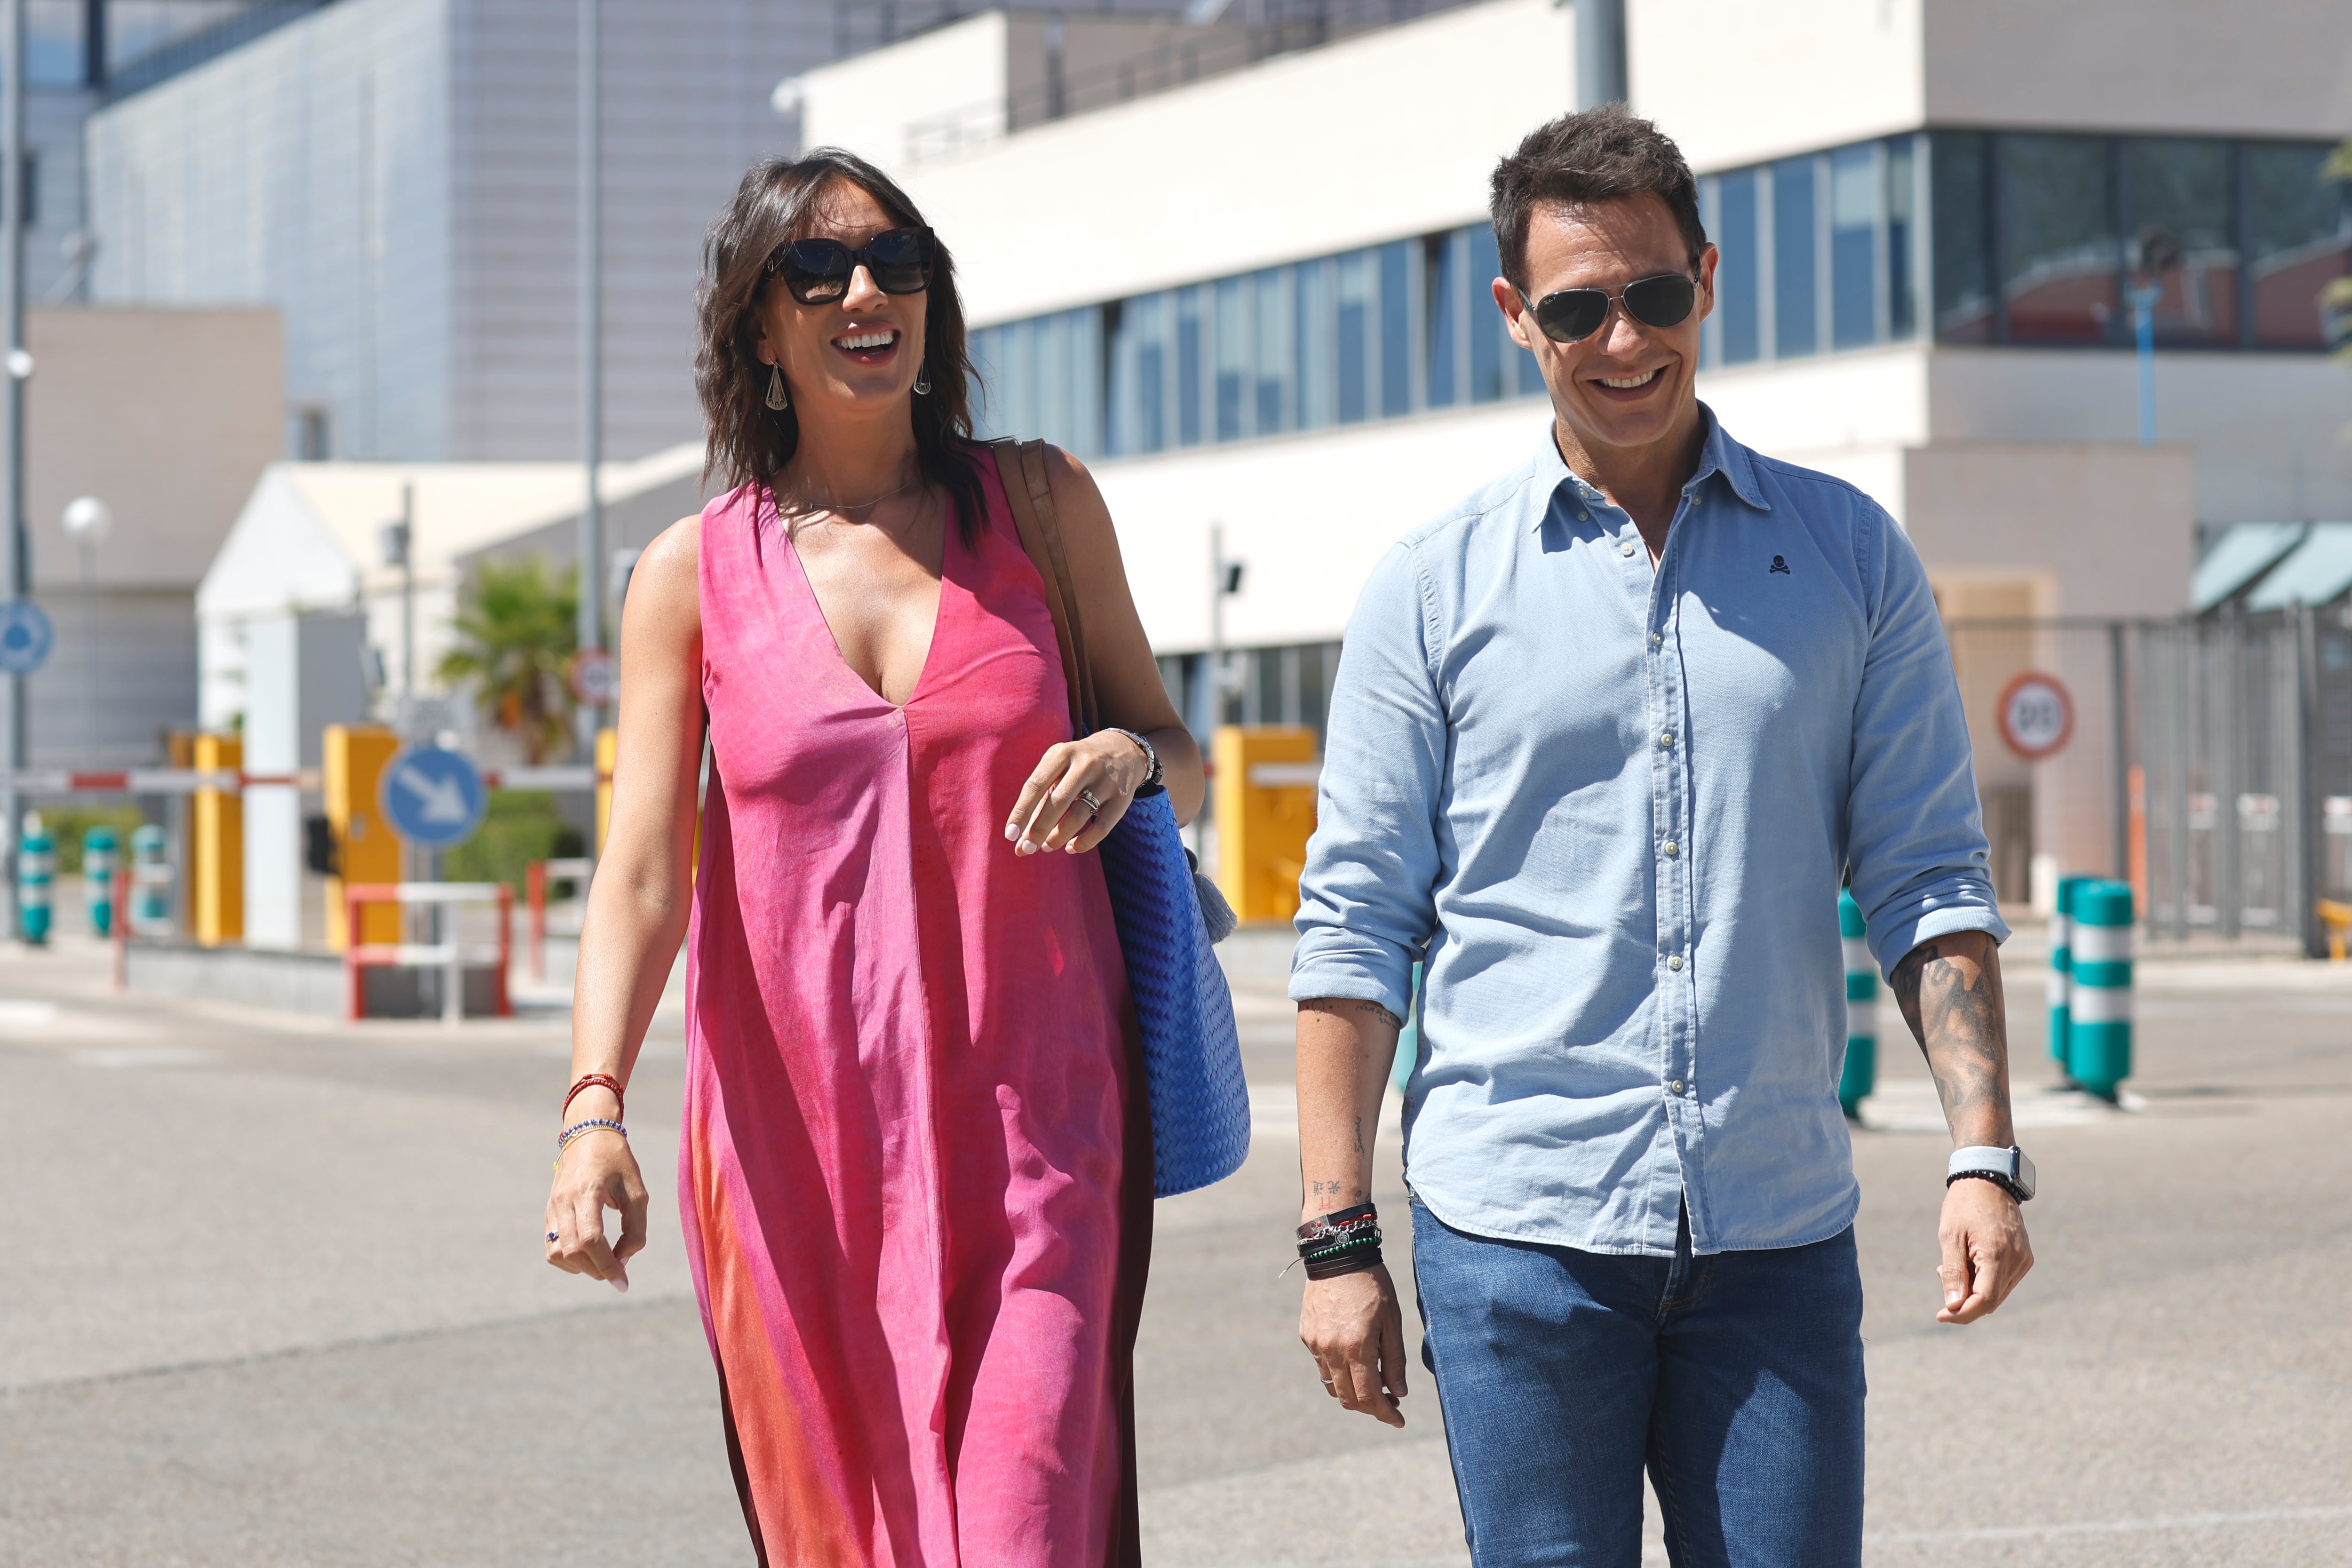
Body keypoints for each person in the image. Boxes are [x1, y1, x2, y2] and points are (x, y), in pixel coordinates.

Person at [1287, 106, 2034, 1567]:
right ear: (1517, 316)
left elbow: (1927, 873)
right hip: (1518, 1235)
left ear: (1705, 274)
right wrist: (1337, 1240)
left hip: (1776, 1235)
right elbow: (1358, 924)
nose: (1623, 340)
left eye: (1654, 295)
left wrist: (1982, 1152)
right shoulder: (1431, 589)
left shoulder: (1844, 555)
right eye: (1576, 308)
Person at [540, 148, 1202, 1568]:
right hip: (800, 1165)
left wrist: (1132, 759)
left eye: (897, 264)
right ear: (759, 325)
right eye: (818, 268)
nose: (864, 291)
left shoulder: (1038, 506)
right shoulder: (690, 574)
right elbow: (646, 872)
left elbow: (1172, 741)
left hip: (1043, 1134)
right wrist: (593, 1109)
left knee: (1025, 1525)